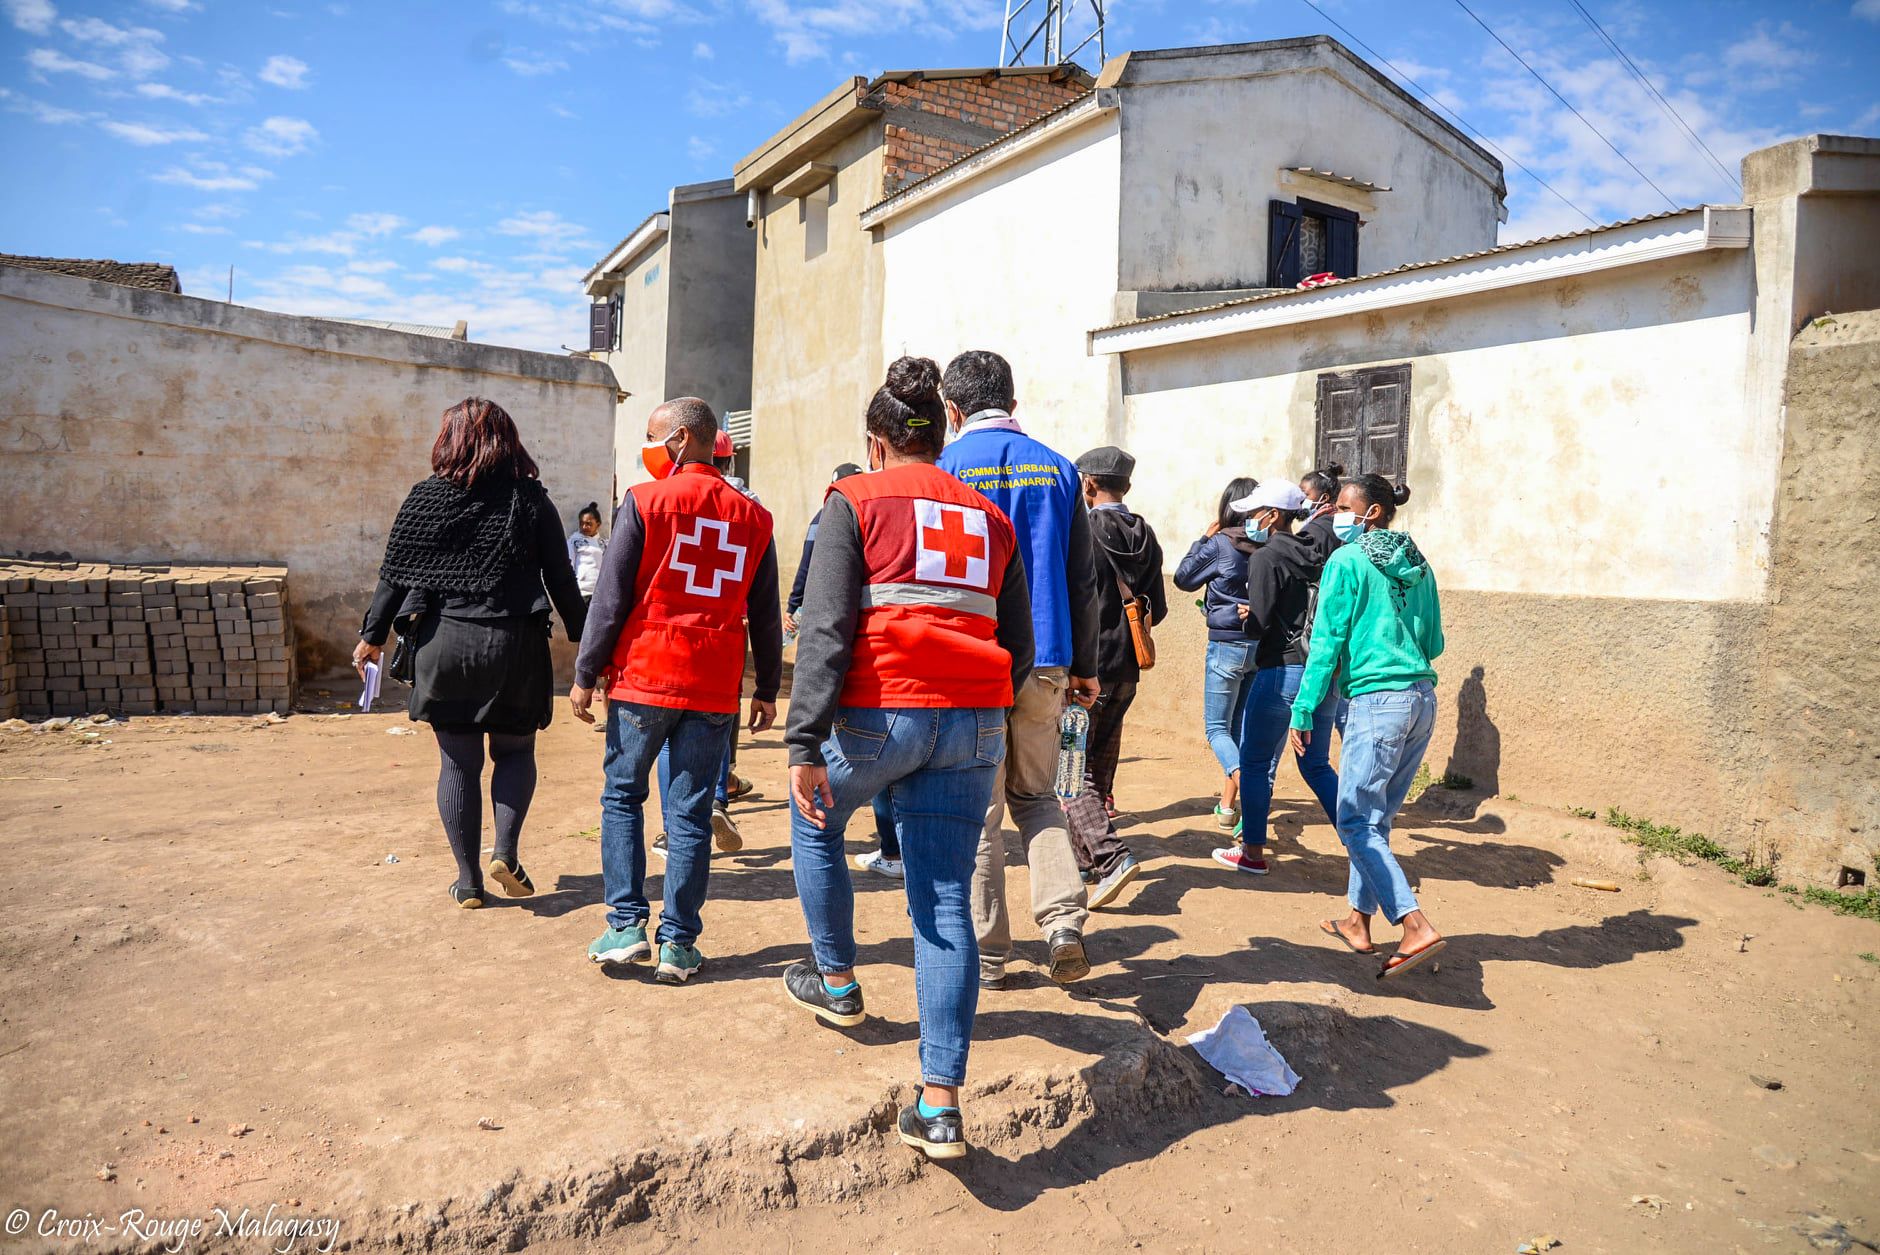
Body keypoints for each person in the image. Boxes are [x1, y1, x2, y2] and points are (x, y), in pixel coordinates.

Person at [783, 357, 1033, 1160]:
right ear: (942, 429)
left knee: (814, 816)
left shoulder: (853, 499)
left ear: (875, 440)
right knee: (944, 900)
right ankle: (940, 1105)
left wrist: (801, 741)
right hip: (974, 724)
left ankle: (838, 983)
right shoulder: (990, 519)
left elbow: (823, 633)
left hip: (882, 717)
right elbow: (1018, 647)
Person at [570, 397, 783, 985]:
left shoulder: (643, 502)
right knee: (689, 816)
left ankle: (624, 925)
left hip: (645, 677)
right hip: (714, 686)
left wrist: (586, 673)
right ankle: (678, 944)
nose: (647, 448)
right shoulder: (755, 518)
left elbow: (610, 599)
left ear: (682, 439)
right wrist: (766, 685)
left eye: (652, 437)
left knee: (622, 797)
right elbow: (764, 612)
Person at [353, 397, 587, 909]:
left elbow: (394, 576)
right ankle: (505, 850)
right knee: (516, 752)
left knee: (458, 767)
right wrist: (586, 641)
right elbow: (561, 578)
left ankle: (469, 881)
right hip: (516, 648)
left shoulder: (425, 499)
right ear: (508, 441)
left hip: (446, 646)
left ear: (449, 440)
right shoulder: (530, 500)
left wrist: (372, 636)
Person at [936, 349, 1099, 990]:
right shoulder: (1059, 468)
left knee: (982, 809)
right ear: (1014, 398)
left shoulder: (944, 469)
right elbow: (1081, 579)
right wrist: (1083, 666)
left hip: (972, 659)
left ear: (952, 410)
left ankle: (992, 953)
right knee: (1037, 797)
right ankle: (1062, 923)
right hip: (1050, 658)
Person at [1292, 474, 1447, 979]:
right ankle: (1358, 922)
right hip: (1421, 699)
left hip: (1377, 701)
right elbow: (1435, 643)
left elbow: (1327, 641)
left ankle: (1413, 923)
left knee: (1355, 820)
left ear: (1372, 512)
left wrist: (1304, 708)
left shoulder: (1347, 560)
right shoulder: (1418, 564)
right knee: (1375, 820)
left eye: (1340, 505)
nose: (1332, 513)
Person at [1211, 482, 1341, 876]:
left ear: (1274, 515)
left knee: (1253, 761)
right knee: (1316, 764)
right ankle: (1362, 842)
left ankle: (1251, 852)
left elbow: (1261, 624)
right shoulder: (1318, 549)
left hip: (1281, 670)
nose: (1250, 520)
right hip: (1320, 671)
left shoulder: (1267, 556)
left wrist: (1251, 618)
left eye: (1255, 513)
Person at [1065, 446, 1165, 909]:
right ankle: (1086, 858)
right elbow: (1157, 609)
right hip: (1128, 668)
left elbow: (1069, 599)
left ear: (1087, 484)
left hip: (1087, 668)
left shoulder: (1080, 529)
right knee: (1100, 761)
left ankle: (1109, 857)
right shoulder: (1145, 533)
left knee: (1067, 769)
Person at [1173, 476, 1260, 830]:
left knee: (1216, 730)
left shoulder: (1222, 543)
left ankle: (1251, 790)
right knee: (1239, 729)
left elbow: (1183, 578)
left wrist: (1204, 539)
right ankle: (1227, 808)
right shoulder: (1269, 543)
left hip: (1226, 643)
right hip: (1259, 644)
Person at [568, 502, 606, 607]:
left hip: (599, 594)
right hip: (581, 592)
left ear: (598, 524)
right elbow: (569, 564)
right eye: (581, 523)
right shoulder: (575, 541)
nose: (584, 526)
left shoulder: (604, 544)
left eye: (589, 524)